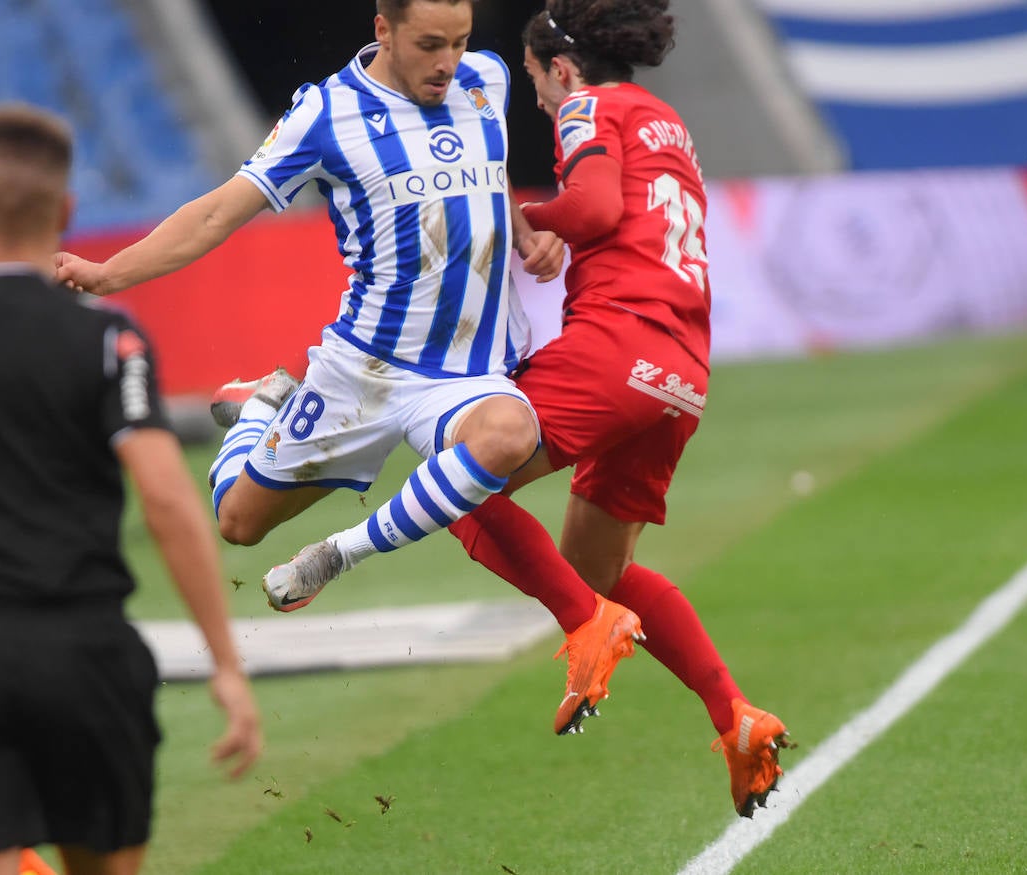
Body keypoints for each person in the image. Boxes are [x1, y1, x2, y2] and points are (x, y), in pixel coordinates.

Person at [54, 0, 642, 737]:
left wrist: (526, 228)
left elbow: (487, 177)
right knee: (237, 523)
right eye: (429, 45)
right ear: (383, 30)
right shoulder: (325, 115)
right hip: (361, 371)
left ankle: (336, 555)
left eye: (458, 43)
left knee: (507, 432)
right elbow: (215, 214)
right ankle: (263, 405)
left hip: (466, 373)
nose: (447, 63)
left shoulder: (486, 79)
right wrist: (109, 274)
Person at [0, 103, 262, 875]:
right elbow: (167, 501)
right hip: (87, 660)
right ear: (65, 212)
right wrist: (225, 664)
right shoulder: (108, 341)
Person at [443, 0, 791, 817]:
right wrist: (573, 229)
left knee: (455, 484)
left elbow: (596, 208)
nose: (535, 99)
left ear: (562, 69)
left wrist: (528, 217)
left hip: (616, 347)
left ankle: (584, 630)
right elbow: (624, 214)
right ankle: (737, 719)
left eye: (534, 80)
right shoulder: (662, 119)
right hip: (679, 374)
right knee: (601, 572)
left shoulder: (588, 107)